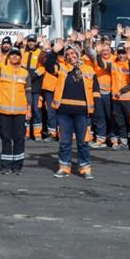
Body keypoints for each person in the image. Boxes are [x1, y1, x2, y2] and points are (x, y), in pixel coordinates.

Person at [47, 42, 96, 179]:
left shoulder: (88, 69)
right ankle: (64, 168)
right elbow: (48, 66)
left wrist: (95, 112)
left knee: (83, 142)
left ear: (78, 54)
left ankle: (85, 169)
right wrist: (53, 52)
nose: (70, 56)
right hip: (64, 112)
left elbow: (95, 91)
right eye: (67, 54)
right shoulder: (62, 68)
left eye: (73, 53)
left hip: (82, 112)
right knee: (65, 142)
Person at [0, 48, 31, 174]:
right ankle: (6, 165)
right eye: (12, 55)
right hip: (4, 111)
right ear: (9, 57)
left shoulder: (25, 73)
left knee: (19, 138)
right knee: (6, 138)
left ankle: (17, 166)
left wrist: (29, 109)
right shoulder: (2, 70)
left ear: (20, 58)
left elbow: (28, 92)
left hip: (20, 111)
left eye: (17, 55)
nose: (14, 57)